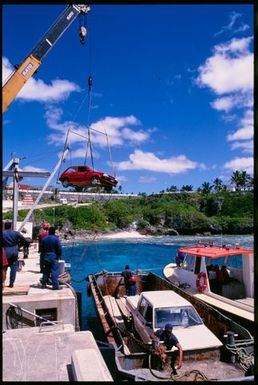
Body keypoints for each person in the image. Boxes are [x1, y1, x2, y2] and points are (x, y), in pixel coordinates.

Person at [3, 221, 30, 288]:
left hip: (5, 251)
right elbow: (24, 240)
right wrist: (19, 246)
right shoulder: (15, 233)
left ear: (4, 226)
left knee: (3, 268)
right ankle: (11, 283)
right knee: (13, 268)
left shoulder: (2, 233)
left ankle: (3, 283)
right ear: (11, 226)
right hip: (14, 251)